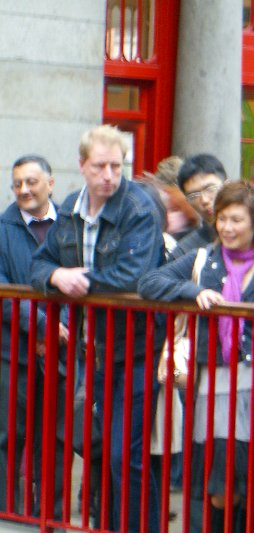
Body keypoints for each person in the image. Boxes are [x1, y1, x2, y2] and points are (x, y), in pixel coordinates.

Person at [30, 125, 165, 532]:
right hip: (95, 349)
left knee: (126, 452)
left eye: (117, 166)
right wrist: (56, 275)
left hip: (138, 345)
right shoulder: (71, 207)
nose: (109, 176)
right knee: (104, 449)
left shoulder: (139, 208)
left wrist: (80, 282)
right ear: (82, 165)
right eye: (100, 166)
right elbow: (40, 262)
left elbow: (134, 275)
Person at [139, 181, 254, 531]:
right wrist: (193, 290)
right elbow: (149, 283)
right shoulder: (203, 259)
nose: (227, 227)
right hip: (214, 386)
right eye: (222, 218)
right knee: (220, 487)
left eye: (236, 220)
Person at [0, 155, 69, 519]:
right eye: (17, 184)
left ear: (50, 184)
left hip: (63, 351)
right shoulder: (2, 228)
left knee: (56, 438)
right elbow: (3, 292)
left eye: (31, 182)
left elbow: (84, 279)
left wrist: (63, 329)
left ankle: (50, 517)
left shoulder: (70, 225)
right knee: (8, 436)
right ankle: (7, 515)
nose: (24, 190)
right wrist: (43, 326)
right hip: (13, 352)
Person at [170, 153, 254, 261]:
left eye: (210, 189)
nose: (204, 200)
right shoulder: (184, 251)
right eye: (194, 195)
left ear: (226, 185)